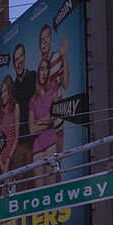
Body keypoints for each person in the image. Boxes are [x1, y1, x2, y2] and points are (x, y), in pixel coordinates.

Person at [39, 24, 71, 152]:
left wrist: (64, 57)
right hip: (44, 112)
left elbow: (66, 84)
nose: (45, 41)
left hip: (57, 109)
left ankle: (58, 171)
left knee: (59, 138)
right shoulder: (40, 66)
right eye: (42, 39)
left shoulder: (58, 57)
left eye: (47, 37)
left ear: (51, 39)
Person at [29, 58, 60, 186]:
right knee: (39, 192)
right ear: (38, 72)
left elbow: (55, 114)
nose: (44, 72)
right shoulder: (32, 100)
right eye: (42, 68)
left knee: (51, 190)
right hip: (36, 149)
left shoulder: (53, 87)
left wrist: (39, 123)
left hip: (51, 144)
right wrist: (46, 121)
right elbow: (31, 130)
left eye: (46, 69)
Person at [10, 43, 37, 186]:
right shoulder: (13, 86)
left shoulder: (33, 76)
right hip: (20, 141)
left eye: (21, 56)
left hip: (35, 138)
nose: (19, 61)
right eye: (16, 59)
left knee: (33, 179)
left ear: (24, 57)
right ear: (14, 64)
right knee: (20, 181)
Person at [0, 75, 20, 176]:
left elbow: (16, 137)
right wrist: (1, 165)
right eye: (1, 92)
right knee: (2, 191)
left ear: (10, 91)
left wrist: (8, 162)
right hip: (0, 162)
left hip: (12, 159)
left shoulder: (16, 108)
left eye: (5, 91)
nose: (3, 95)